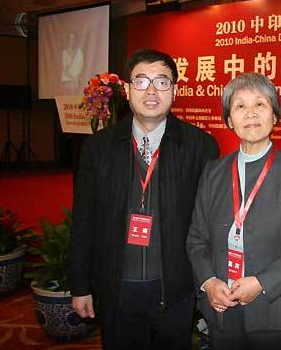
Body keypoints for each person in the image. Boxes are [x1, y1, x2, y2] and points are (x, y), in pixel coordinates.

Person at [68, 49, 219, 349]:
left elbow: (210, 224)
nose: (151, 91)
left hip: (176, 289)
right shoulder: (98, 148)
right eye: (141, 81)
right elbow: (84, 220)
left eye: (162, 81)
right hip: (116, 289)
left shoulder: (200, 146)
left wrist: (208, 283)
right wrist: (81, 286)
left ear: (175, 90)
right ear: (126, 89)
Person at [186, 72, 281, 349]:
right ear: (229, 120)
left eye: (260, 104)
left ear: (274, 116)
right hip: (222, 309)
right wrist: (209, 282)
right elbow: (197, 238)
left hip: (274, 311)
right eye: (240, 106)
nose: (251, 113)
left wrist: (262, 282)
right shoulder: (213, 172)